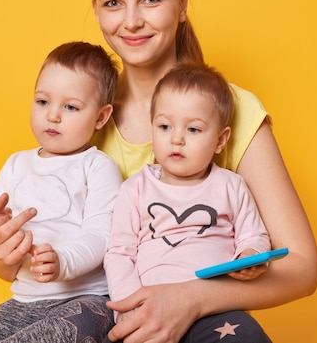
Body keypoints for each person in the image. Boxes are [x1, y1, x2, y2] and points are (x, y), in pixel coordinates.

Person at [0, 0, 317, 343]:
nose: (131, 21)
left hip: (202, 321)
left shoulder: (233, 108)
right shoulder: (78, 114)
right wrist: (4, 254)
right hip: (96, 317)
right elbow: (25, 261)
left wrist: (191, 298)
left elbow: (302, 267)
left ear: (183, 3)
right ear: (96, 11)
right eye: (113, 2)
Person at [0, 41, 123, 343]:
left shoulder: (98, 167)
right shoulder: (16, 163)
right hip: (24, 299)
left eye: (71, 107)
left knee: (65, 330)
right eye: (42, 102)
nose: (53, 116)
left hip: (86, 299)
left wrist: (63, 261)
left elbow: (102, 235)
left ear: (101, 117)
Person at [104, 64, 273, 342]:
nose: (177, 138)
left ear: (220, 140)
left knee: (249, 336)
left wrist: (250, 255)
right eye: (164, 126)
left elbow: (253, 235)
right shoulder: (135, 188)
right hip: (150, 309)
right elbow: (119, 252)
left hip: (217, 310)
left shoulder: (230, 186)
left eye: (193, 129)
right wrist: (130, 306)